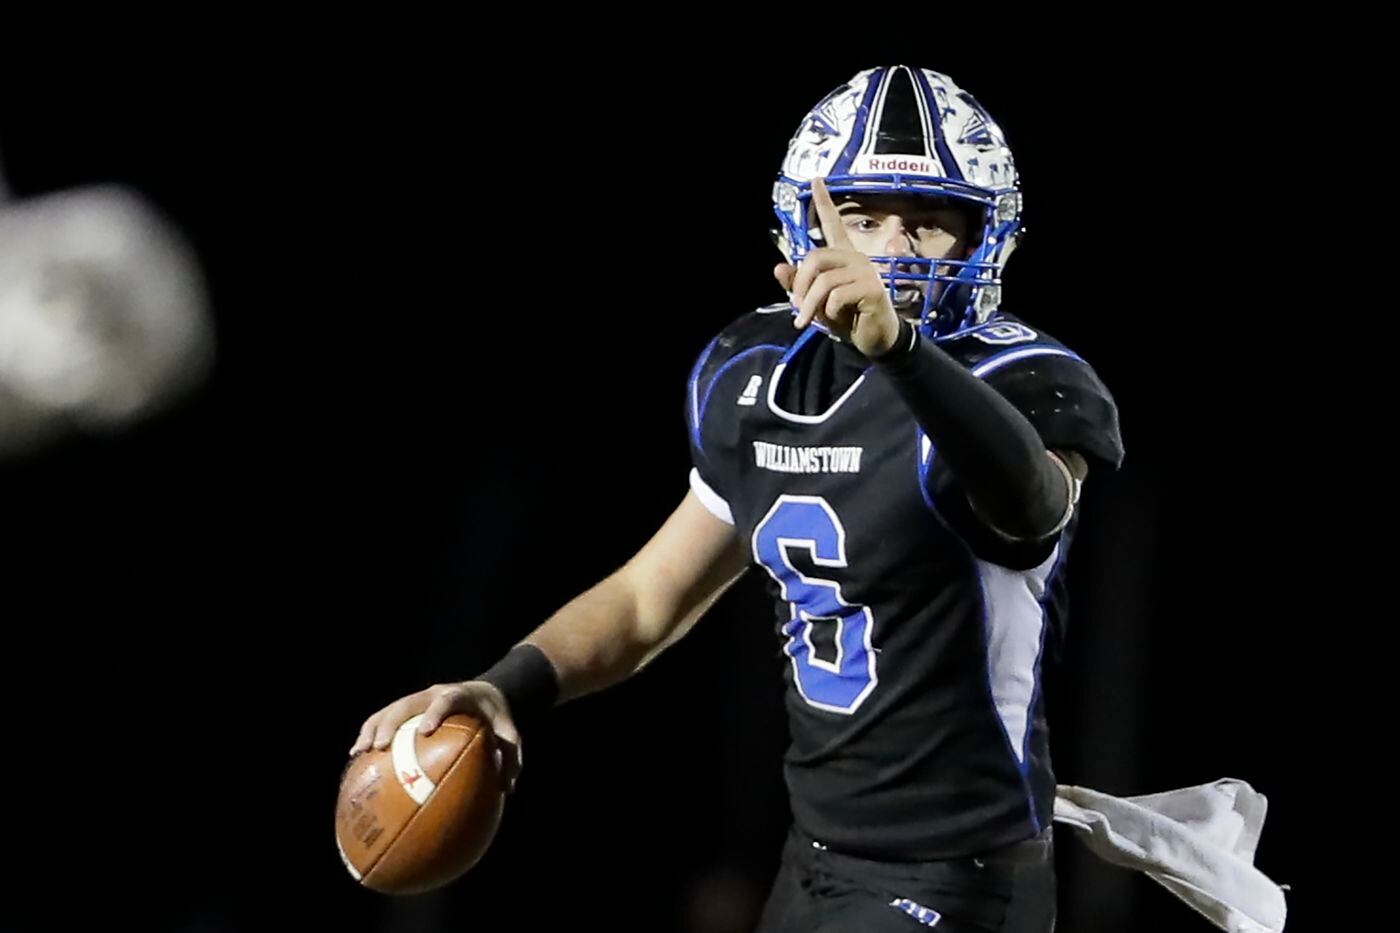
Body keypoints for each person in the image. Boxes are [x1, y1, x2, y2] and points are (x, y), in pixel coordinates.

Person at [349, 65, 1124, 932]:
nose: (893, 249)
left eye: (928, 222)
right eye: (862, 218)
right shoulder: (755, 371)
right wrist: (502, 688)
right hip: (815, 859)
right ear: (804, 227)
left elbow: (1035, 508)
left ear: (986, 235)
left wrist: (903, 351)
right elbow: (647, 600)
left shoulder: (1024, 376)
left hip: (957, 876)